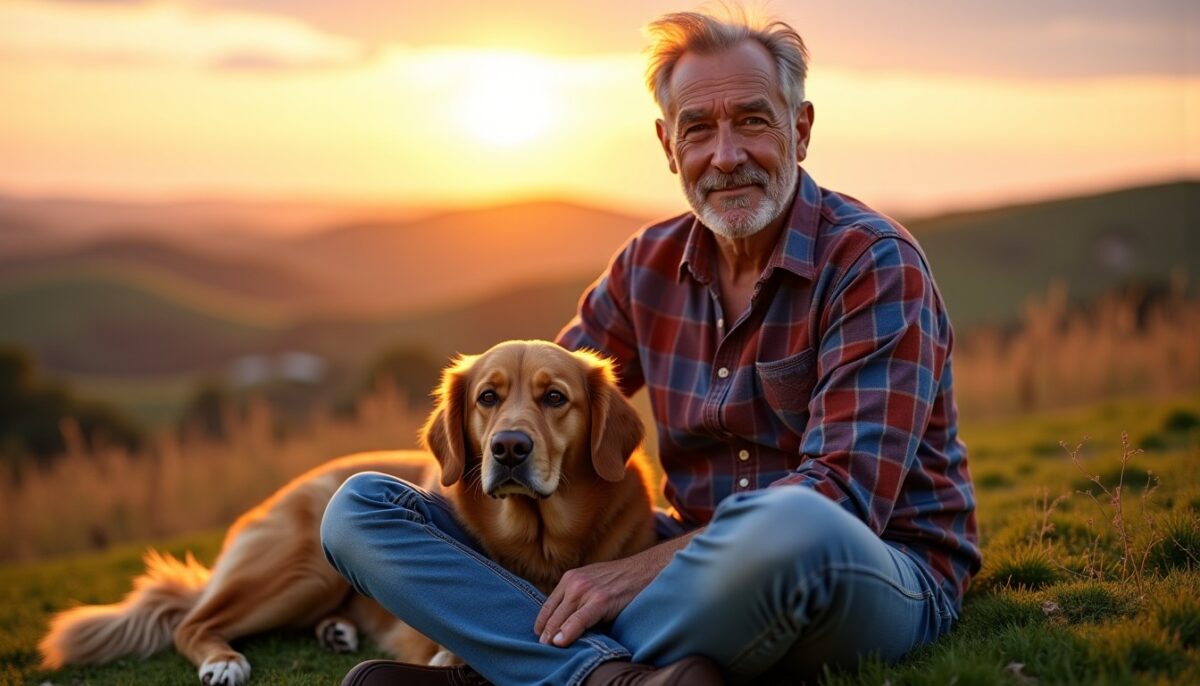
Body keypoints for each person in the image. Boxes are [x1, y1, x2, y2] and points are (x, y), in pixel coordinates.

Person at [321, 9, 980, 686]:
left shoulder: (872, 263)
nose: (726, 156)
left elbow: (844, 495)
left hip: (868, 567)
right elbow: (552, 408)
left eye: (752, 121)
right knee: (359, 508)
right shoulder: (647, 265)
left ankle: (505, 667)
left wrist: (630, 575)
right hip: (689, 567)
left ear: (800, 130)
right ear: (669, 147)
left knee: (791, 523)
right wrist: (474, 463)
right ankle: (608, 677)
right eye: (699, 130)